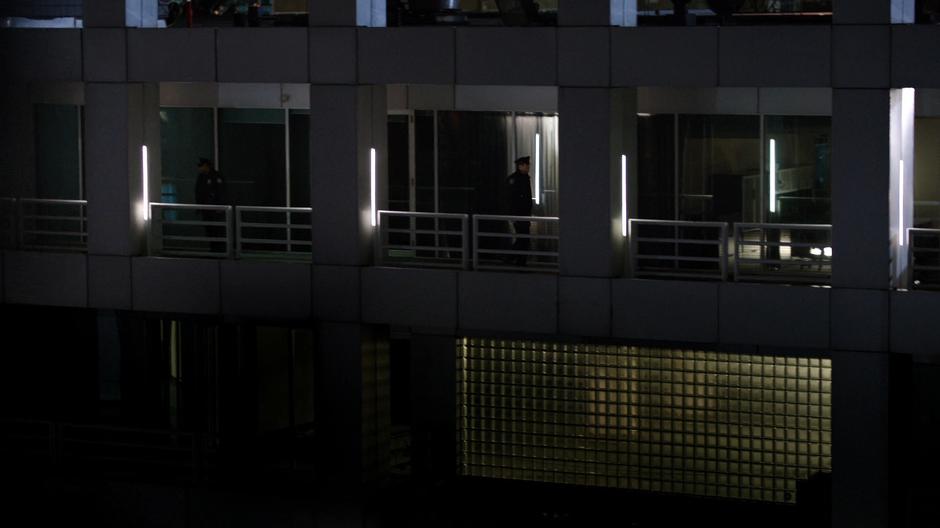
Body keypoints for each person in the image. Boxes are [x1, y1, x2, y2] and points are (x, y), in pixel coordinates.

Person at [195, 158, 227, 254]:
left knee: (217, 230)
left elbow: (221, 192)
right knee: (209, 230)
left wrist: (220, 207)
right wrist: (199, 206)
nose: (199, 168)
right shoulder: (201, 177)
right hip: (206, 209)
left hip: (215, 210)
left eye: (201, 166)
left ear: (206, 165)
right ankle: (213, 249)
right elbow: (198, 192)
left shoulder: (216, 176)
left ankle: (219, 250)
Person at [506, 156, 533, 266]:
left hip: (524, 214)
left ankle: (519, 261)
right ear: (520, 166)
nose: (528, 167)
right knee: (524, 238)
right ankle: (512, 258)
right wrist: (513, 215)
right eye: (526, 165)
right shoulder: (514, 179)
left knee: (523, 238)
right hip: (519, 214)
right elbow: (510, 199)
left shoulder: (524, 178)